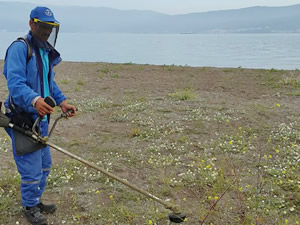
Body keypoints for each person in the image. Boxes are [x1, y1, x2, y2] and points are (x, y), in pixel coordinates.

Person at [2, 6, 76, 225]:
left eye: (50, 27)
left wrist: (61, 101)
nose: (45, 31)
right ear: (31, 24)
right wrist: (35, 100)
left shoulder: (44, 51)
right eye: (42, 26)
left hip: (41, 120)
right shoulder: (20, 48)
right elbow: (15, 84)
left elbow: (48, 82)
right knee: (31, 167)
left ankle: (35, 199)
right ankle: (29, 206)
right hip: (22, 118)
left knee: (44, 165)